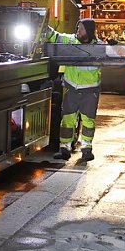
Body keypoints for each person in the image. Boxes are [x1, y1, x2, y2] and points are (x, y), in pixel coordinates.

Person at [46, 18, 103, 162]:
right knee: (67, 121)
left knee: (88, 122)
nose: (78, 31)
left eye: (81, 29)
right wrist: (41, 25)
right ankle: (64, 148)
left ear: (89, 31)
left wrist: (115, 46)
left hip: (90, 91)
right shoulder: (71, 40)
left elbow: (115, 52)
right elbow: (55, 36)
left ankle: (86, 149)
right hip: (71, 88)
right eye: (77, 28)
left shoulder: (99, 46)